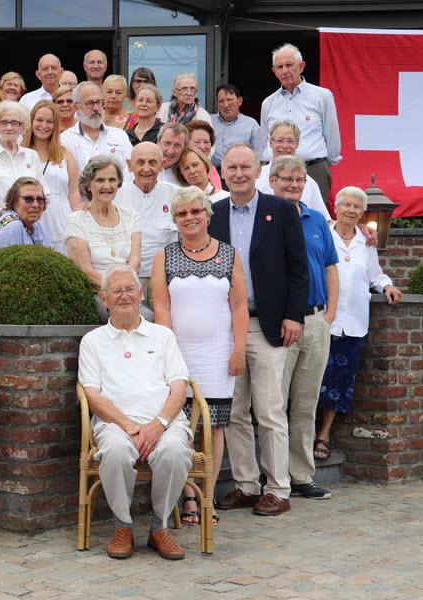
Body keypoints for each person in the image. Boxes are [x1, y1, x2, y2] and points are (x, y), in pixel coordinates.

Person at [208, 145, 309, 517]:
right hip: (226, 329)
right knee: (234, 411)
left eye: (245, 167)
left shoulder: (280, 210)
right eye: (231, 167)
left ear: (257, 171)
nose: (238, 173)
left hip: (268, 326)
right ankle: (247, 485)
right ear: (223, 172)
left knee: (269, 410)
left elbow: (298, 267)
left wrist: (294, 316)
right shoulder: (214, 213)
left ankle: (278, 489)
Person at [78, 265, 192, 561]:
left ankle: (159, 527)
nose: (124, 296)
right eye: (116, 291)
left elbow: (179, 388)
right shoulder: (92, 341)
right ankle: (123, 526)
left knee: (175, 452)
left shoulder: (163, 336)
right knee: (115, 450)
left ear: (141, 294)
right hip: (115, 424)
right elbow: (92, 394)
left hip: (164, 422)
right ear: (104, 299)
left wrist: (158, 425)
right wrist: (129, 426)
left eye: (130, 289)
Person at [151, 186, 248, 526]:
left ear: (207, 214)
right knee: (182, 427)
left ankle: (207, 496)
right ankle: (189, 498)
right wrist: (168, 353)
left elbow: (239, 306)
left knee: (214, 427)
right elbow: (161, 308)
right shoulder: (165, 256)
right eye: (182, 213)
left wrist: (239, 349)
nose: (189, 218)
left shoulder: (229, 254)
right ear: (175, 219)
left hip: (218, 354)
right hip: (180, 353)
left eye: (195, 211)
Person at [268, 155, 339, 501]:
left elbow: (330, 268)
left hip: (314, 321)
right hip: (280, 322)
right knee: (275, 403)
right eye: (287, 179)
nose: (294, 185)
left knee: (306, 403)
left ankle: (300, 474)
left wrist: (329, 315)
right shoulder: (266, 220)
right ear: (272, 182)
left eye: (299, 180)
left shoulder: (317, 220)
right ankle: (275, 474)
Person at [315, 186, 403, 460]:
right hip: (322, 319)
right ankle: (302, 433)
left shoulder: (366, 242)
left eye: (356, 207)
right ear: (336, 207)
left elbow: (374, 274)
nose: (351, 210)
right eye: (346, 205)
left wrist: (387, 285)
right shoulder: (323, 233)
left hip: (353, 322)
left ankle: (323, 434)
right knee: (311, 378)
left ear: (363, 213)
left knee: (340, 381)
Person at [260, 43, 341, 201]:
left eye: (289, 65)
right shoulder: (268, 103)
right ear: (274, 71)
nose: (285, 71)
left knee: (313, 214)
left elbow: (332, 135)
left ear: (301, 66)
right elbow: (264, 140)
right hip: (276, 172)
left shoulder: (322, 96)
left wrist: (324, 165)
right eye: (280, 67)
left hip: (313, 169)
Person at [65, 155, 141, 321]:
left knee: (148, 319)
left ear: (118, 183)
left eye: (112, 180)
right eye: (100, 180)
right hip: (97, 294)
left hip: (128, 292)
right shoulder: (77, 220)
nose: (107, 186)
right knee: (121, 318)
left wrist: (124, 291)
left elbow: (135, 264)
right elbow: (85, 271)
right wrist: (116, 291)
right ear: (88, 184)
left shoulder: (131, 217)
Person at [117, 142, 178, 302]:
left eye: (152, 162)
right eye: (140, 162)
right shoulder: (116, 196)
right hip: (128, 279)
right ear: (129, 165)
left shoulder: (176, 195)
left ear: (162, 165)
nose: (146, 168)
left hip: (167, 277)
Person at [22, 100, 82, 254]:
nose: (44, 125)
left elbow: (73, 193)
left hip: (61, 220)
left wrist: (80, 220)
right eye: (39, 120)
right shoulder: (21, 153)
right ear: (31, 121)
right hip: (29, 219)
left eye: (49, 122)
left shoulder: (65, 154)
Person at [0, 101, 49, 206]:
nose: (9, 127)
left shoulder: (32, 156)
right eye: (4, 122)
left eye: (14, 123)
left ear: (22, 127)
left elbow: (44, 193)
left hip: (30, 215)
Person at [257, 120, 330, 218]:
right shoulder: (256, 177)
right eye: (280, 141)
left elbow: (323, 219)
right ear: (270, 143)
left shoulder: (309, 183)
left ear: (297, 144)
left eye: (290, 141)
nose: (285, 146)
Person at [61, 82, 133, 177]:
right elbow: (65, 175)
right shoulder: (66, 139)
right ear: (76, 107)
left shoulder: (120, 136)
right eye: (90, 103)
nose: (95, 108)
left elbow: (131, 170)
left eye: (98, 102)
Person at [0, 176, 49, 255]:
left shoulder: (37, 225)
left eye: (40, 199)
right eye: (28, 199)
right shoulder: (12, 227)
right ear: (14, 201)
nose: (36, 205)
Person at [210, 83, 264, 168]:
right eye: (221, 101)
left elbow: (259, 157)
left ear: (240, 101)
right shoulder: (209, 121)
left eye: (229, 100)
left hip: (239, 172)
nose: (226, 105)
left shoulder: (251, 125)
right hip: (212, 172)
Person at [185, 120, 222, 190]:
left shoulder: (212, 169)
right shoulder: (183, 169)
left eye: (206, 142)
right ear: (187, 144)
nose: (202, 146)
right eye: (197, 142)